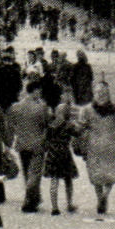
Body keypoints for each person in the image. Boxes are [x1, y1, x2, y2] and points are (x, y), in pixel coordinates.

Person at [4, 77, 51, 212]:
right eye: (39, 91)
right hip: (37, 143)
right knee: (35, 173)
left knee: (26, 172)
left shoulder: (16, 106)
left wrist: (9, 142)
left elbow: (11, 125)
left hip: (22, 144)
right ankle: (29, 200)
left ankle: (33, 198)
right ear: (35, 91)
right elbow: (46, 124)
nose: (40, 94)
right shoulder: (41, 107)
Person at [79, 81, 115, 216]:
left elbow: (81, 127)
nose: (101, 95)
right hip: (111, 143)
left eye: (103, 92)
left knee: (96, 173)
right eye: (100, 92)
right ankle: (105, 195)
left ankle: (100, 197)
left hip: (94, 144)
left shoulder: (86, 110)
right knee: (111, 172)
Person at [41, 80, 79, 215]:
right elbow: (78, 133)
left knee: (54, 179)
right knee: (68, 179)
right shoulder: (68, 125)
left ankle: (54, 207)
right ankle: (69, 204)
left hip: (52, 153)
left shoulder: (51, 124)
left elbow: (45, 139)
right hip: (64, 153)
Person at [0, 47, 23, 112]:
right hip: (12, 98)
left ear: (3, 61)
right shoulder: (16, 72)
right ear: (11, 61)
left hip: (0, 98)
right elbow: (19, 86)